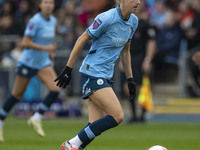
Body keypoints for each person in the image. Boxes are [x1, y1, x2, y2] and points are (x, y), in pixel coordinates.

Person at [54, 0, 140, 150]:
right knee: (118, 115)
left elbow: (126, 51)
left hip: (105, 75)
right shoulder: (106, 18)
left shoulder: (134, 21)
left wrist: (130, 79)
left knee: (94, 125)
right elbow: (82, 39)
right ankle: (71, 144)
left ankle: (75, 146)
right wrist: (68, 69)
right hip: (91, 73)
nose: (138, 2)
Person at [0, 0, 60, 142]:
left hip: (42, 63)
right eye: (45, 2)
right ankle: (1, 121)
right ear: (40, 5)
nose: (48, 5)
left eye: (50, 3)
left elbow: (48, 42)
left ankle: (36, 117)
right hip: (28, 62)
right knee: (17, 95)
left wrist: (51, 51)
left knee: (56, 89)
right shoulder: (35, 21)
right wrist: (47, 49)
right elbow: (25, 42)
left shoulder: (53, 20)